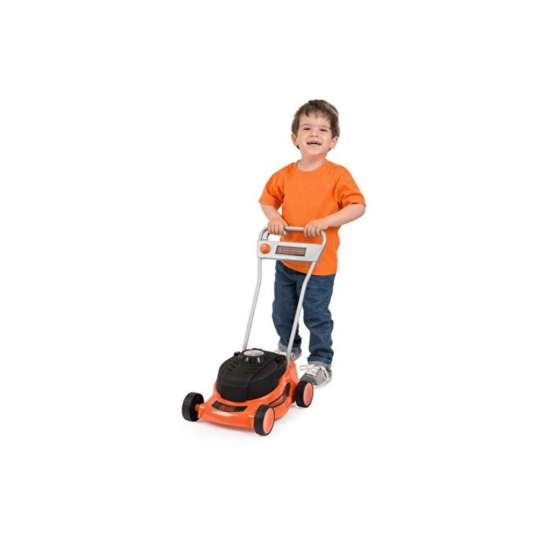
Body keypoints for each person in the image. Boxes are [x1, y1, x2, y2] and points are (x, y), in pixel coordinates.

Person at [259, 99, 366, 387]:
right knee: (282, 310)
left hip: (319, 264)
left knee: (316, 314)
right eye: (307, 128)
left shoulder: (338, 175)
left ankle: (321, 360)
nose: (314, 133)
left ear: (333, 141)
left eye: (322, 129)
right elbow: (267, 200)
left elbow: (358, 206)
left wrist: (327, 220)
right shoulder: (284, 175)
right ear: (295, 138)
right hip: (287, 258)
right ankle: (288, 346)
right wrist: (274, 217)